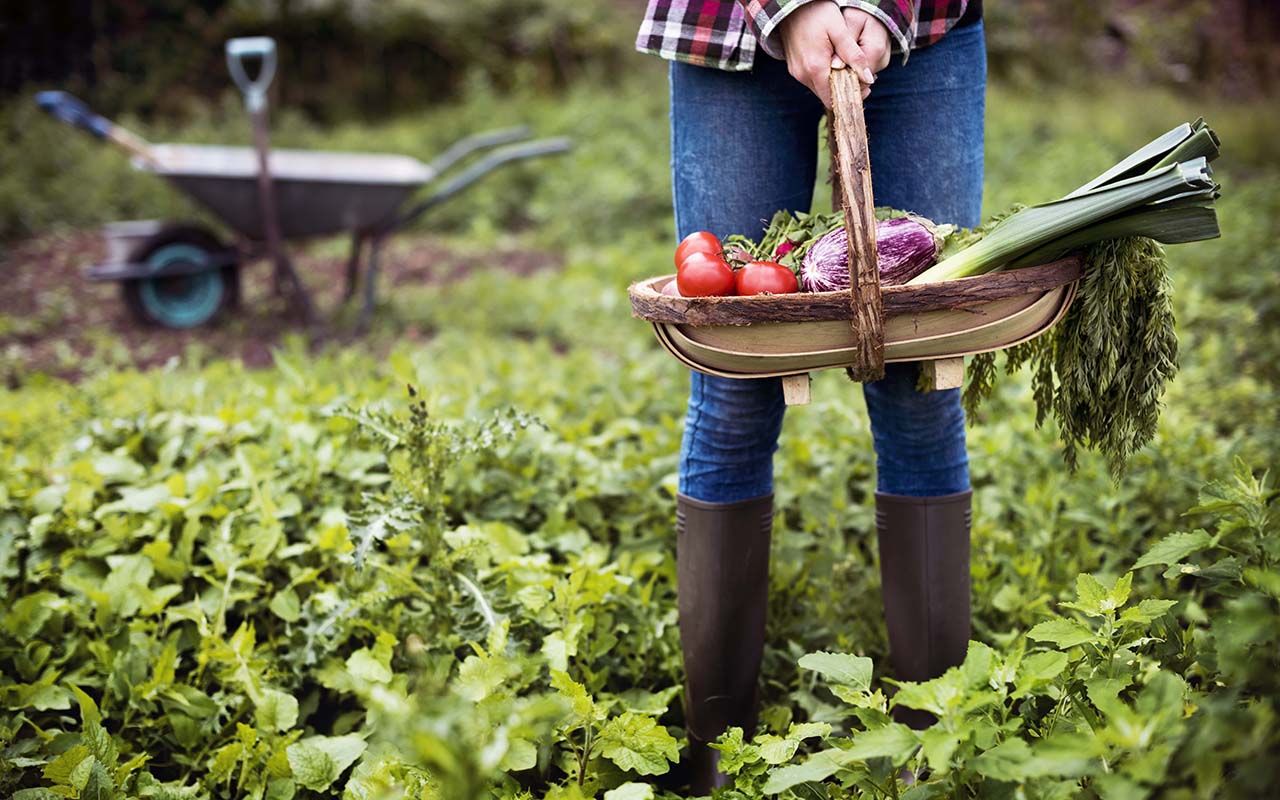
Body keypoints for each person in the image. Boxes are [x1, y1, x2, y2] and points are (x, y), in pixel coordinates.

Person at [636, 0, 986, 791]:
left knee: (922, 378)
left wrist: (877, 11)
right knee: (735, 380)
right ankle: (717, 755)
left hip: (919, 30)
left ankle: (934, 748)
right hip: (729, 28)